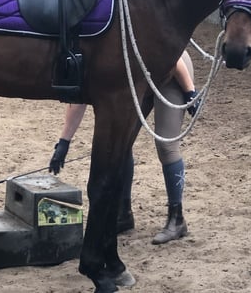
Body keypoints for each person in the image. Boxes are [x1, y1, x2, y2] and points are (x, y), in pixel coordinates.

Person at [48, 51, 198, 244]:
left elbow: (171, 56)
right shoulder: (90, 59)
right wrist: (64, 142)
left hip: (172, 69)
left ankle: (177, 218)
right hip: (140, 75)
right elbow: (79, 99)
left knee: (166, 145)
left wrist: (190, 91)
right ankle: (123, 213)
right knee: (121, 141)